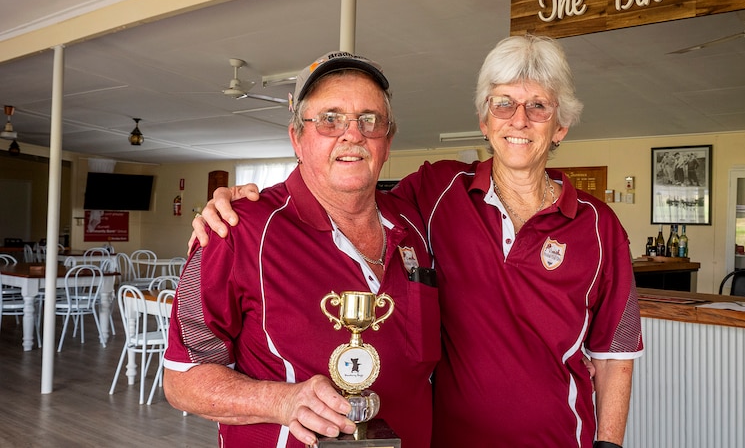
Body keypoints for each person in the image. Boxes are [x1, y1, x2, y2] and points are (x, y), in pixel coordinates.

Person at [193, 35, 644, 447]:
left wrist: (609, 444)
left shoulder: (601, 227)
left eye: (539, 107)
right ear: (485, 121)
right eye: (504, 103)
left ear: (560, 126)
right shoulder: (438, 192)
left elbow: (614, 356)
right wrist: (233, 202)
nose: (519, 120)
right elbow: (350, 189)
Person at [163, 51, 440, 448]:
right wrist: (283, 400)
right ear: (296, 137)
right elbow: (181, 379)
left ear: (387, 140)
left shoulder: (416, 223)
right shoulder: (234, 229)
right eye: (330, 119)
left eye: (369, 120)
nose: (352, 133)